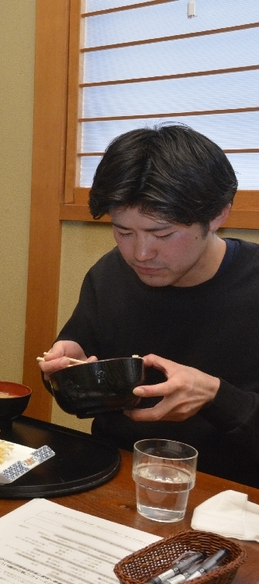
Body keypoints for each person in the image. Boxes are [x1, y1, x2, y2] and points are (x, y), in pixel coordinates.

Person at [37, 123, 259, 487]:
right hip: (114, 478)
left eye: (162, 233)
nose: (140, 253)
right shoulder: (109, 274)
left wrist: (217, 397)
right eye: (123, 232)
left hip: (227, 497)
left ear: (218, 214)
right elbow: (79, 399)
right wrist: (65, 375)